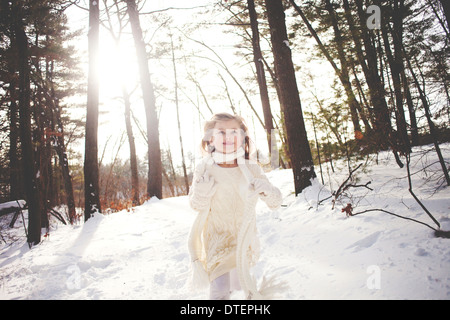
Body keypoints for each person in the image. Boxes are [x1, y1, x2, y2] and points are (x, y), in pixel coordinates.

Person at [188, 112, 282, 300]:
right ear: (211, 139)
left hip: (243, 238)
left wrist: (267, 190)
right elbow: (195, 204)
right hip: (217, 239)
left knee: (241, 287)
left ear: (242, 138)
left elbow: (276, 202)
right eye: (221, 132)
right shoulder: (205, 168)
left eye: (233, 132)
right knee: (220, 288)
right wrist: (202, 191)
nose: (228, 137)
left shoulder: (251, 168)